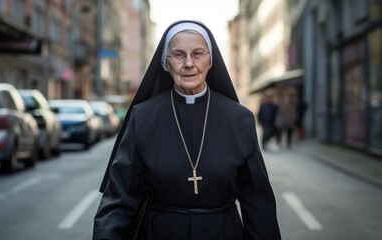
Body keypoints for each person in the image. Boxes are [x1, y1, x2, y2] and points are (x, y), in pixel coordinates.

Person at [92, 20, 281, 240]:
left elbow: (257, 199)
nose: (189, 63)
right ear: (165, 63)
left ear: (211, 60)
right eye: (179, 55)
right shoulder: (142, 117)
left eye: (198, 53)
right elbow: (120, 197)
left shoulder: (239, 119)